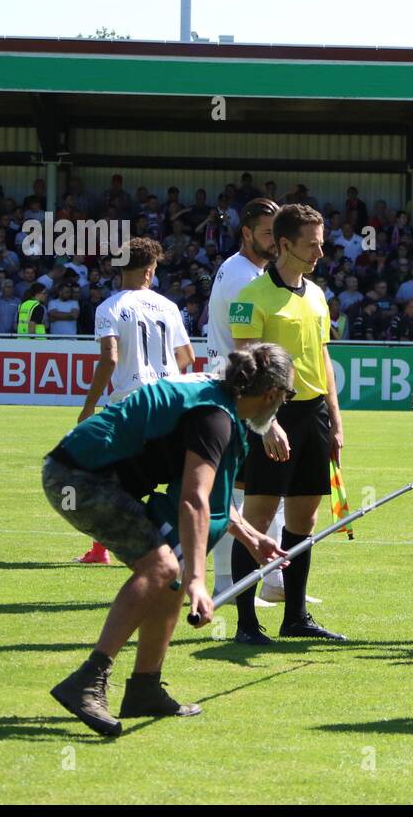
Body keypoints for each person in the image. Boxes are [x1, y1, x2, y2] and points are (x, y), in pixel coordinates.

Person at [45, 343, 293, 736]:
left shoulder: (218, 402)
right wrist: (197, 579)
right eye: (285, 397)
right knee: (163, 567)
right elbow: (194, 500)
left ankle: (144, 687)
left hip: (83, 473)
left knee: (169, 571)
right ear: (272, 395)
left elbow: (210, 494)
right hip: (78, 478)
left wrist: (250, 536)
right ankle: (87, 680)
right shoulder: (215, 419)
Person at [230, 204, 345, 644]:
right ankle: (245, 623)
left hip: (313, 414)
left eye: (321, 243)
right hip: (271, 413)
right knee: (258, 516)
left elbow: (323, 359)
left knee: (305, 517)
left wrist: (335, 420)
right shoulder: (252, 298)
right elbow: (247, 366)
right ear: (283, 244)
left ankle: (295, 617)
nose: (319, 251)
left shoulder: (317, 295)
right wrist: (267, 420)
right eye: (311, 244)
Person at [75, 238, 195, 565]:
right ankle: (178, 546)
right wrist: (163, 373)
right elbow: (186, 356)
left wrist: (89, 407)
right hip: (171, 402)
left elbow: (109, 359)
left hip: (131, 403)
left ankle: (104, 550)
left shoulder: (110, 307)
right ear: (148, 271)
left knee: (103, 475)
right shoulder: (169, 307)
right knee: (176, 477)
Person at [206, 198, 287, 606]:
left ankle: (273, 582)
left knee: (268, 492)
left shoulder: (251, 273)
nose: (276, 240)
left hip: (246, 395)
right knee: (238, 496)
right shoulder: (242, 278)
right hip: (239, 396)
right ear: (247, 233)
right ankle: (225, 583)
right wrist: (266, 418)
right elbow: (245, 350)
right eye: (269, 232)